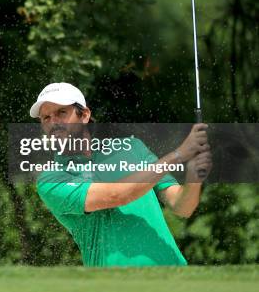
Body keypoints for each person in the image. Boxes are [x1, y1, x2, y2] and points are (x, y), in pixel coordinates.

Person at [33, 82, 212, 266]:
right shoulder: (52, 179)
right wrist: (179, 154)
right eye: (46, 117)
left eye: (61, 112)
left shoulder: (132, 149)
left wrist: (194, 178)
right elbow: (116, 195)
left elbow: (182, 206)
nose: (53, 122)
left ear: (85, 115)